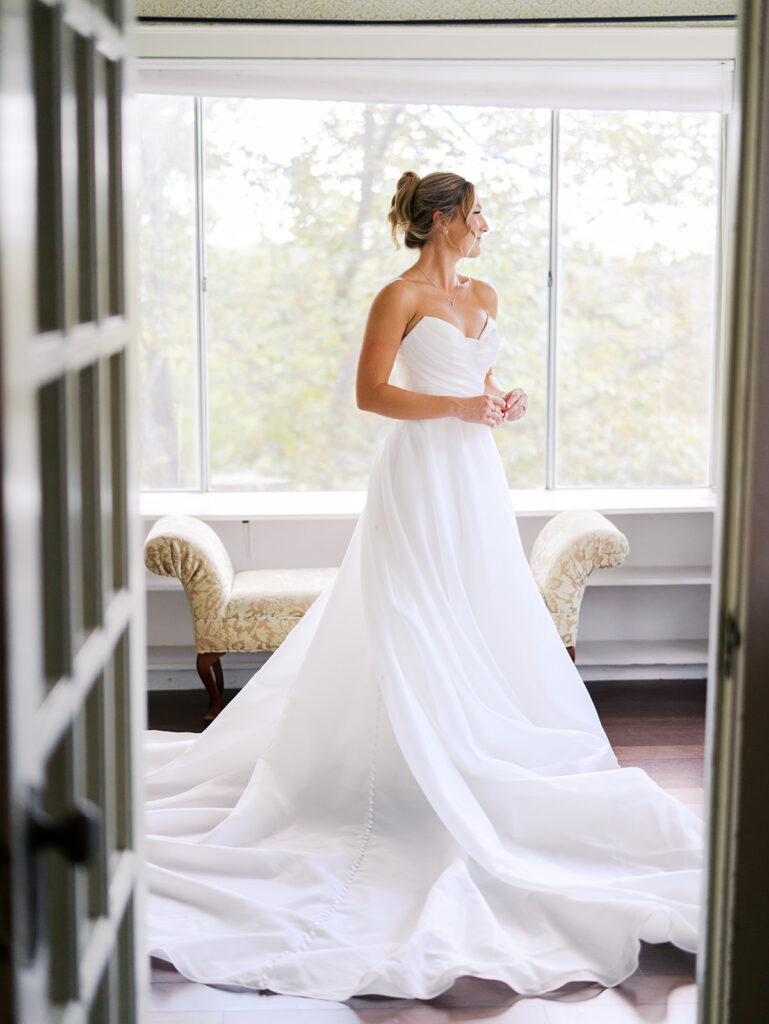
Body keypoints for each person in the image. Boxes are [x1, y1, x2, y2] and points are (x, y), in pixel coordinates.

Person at [143, 171, 703, 1002]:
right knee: (410, 611)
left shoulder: (484, 294)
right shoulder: (398, 296)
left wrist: (496, 402)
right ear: (440, 220)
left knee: (472, 610)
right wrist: (458, 409)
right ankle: (404, 768)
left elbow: (476, 387)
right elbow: (371, 393)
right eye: (475, 213)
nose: (485, 225)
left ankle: (469, 749)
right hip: (416, 475)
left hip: (473, 476)